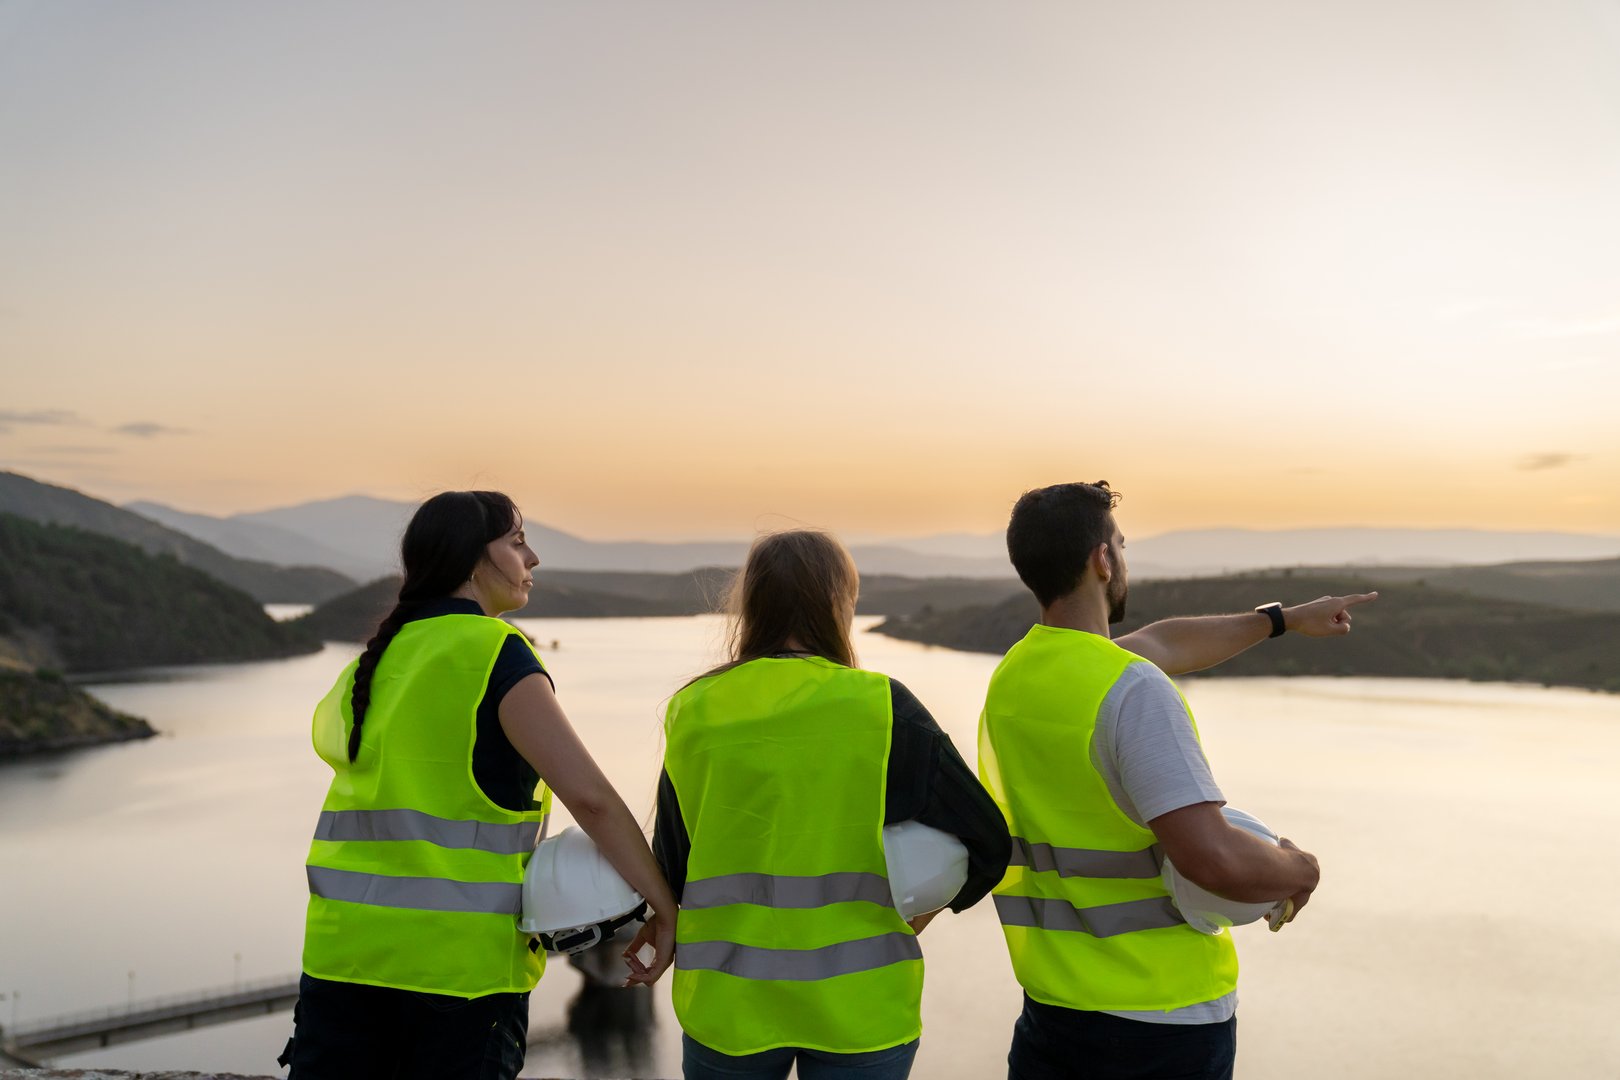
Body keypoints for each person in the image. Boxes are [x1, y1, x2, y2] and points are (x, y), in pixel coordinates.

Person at [978, 482, 1376, 1080]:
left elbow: (1164, 641)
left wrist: (1283, 620)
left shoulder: (1018, 676)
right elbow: (1213, 861)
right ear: (1102, 560)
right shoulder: (1132, 690)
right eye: (1120, 544)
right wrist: (1301, 869)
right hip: (1157, 1025)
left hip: (1052, 1015)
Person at [283, 490, 677, 1080]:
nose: (533, 558)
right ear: (472, 559)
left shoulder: (370, 665)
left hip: (340, 963)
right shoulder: (495, 655)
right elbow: (590, 799)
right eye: (517, 542)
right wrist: (663, 907)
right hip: (457, 980)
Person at [654, 529, 1012, 1080]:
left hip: (727, 1003)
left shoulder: (693, 709)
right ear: (839, 603)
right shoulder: (881, 707)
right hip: (861, 1005)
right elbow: (987, 839)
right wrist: (922, 910)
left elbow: (672, 865)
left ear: (752, 605)